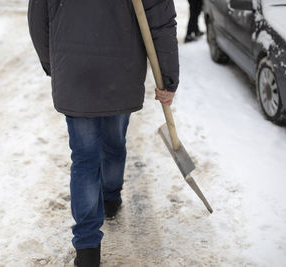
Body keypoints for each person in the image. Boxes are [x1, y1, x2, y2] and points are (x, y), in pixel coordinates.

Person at [28, 0, 179, 266]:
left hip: (74, 69)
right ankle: (110, 197)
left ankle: (87, 250)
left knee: (84, 159)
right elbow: (161, 19)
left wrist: (53, 62)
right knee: (114, 141)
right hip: (122, 68)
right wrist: (167, 76)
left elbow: (37, 17)